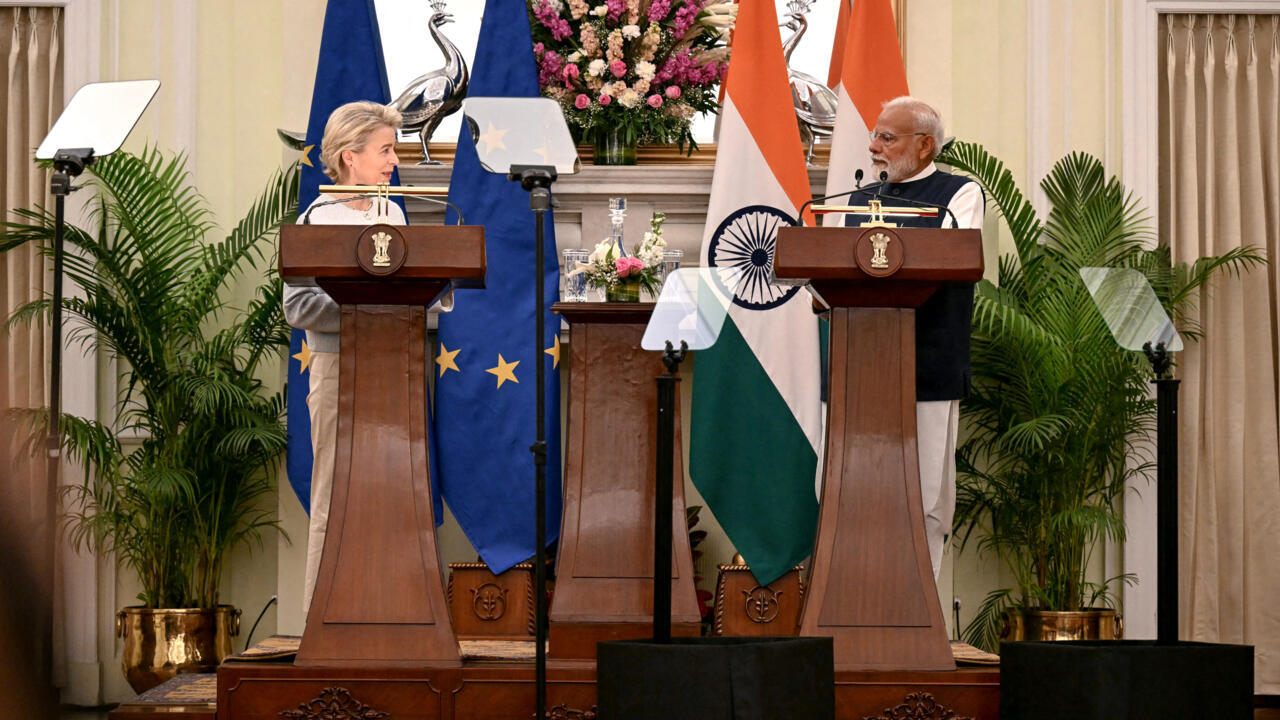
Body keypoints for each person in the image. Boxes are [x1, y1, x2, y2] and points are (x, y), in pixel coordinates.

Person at [844, 96, 985, 580]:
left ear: (925, 146)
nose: (874, 147)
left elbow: (952, 260)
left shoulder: (959, 193)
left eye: (887, 137)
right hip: (858, 366)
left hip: (929, 364)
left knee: (924, 498)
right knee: (854, 494)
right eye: (875, 135)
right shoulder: (857, 200)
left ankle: (919, 610)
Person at [284, 100, 405, 614]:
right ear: (350, 156)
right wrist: (367, 306)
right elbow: (298, 306)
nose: (394, 160)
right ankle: (322, 620)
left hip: (394, 369)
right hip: (337, 369)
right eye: (385, 150)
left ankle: (390, 614)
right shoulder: (316, 219)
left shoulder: (392, 213)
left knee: (394, 497)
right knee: (333, 495)